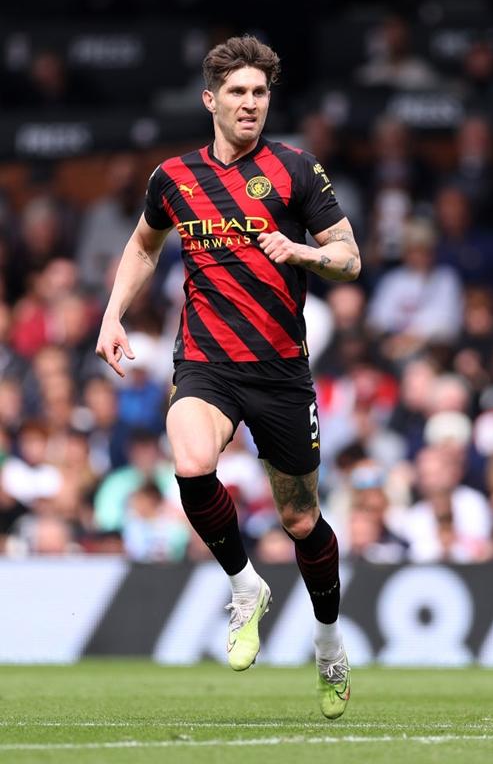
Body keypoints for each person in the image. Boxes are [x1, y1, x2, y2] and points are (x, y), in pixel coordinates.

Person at [96, 35, 360, 719]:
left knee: (300, 520)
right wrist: (113, 314)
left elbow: (350, 257)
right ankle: (246, 586)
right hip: (206, 362)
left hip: (281, 372)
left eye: (260, 92)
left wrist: (302, 251)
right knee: (189, 462)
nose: (250, 103)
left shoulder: (296, 169)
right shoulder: (173, 177)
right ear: (210, 99)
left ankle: (329, 643)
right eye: (238, 92)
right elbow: (143, 245)